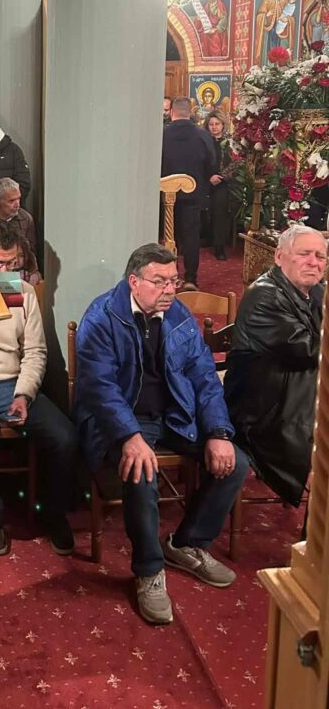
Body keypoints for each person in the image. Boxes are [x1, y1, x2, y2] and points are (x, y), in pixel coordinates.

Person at [75, 243, 248, 625]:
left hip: (173, 414)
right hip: (119, 420)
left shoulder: (179, 315)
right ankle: (149, 569)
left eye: (174, 280)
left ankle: (186, 543)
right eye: (160, 281)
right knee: (141, 471)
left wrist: (218, 431)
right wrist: (129, 436)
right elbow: (100, 388)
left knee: (236, 463)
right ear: (134, 281)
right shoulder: (101, 317)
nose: (170, 289)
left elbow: (204, 378)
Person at [0, 223, 77, 557]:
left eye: (12, 263)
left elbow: (35, 352)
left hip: (12, 383)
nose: (6, 271)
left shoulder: (22, 292)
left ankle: (54, 513)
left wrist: (24, 394)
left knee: (65, 438)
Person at [225, 225, 327, 507]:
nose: (313, 262)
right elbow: (309, 351)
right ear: (279, 257)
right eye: (304, 254)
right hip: (265, 412)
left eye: (320, 256)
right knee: (324, 469)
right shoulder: (264, 296)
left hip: (300, 397)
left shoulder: (317, 291)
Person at [161, 96, 216, 289]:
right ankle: (190, 278)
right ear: (190, 112)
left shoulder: (161, 134)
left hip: (163, 194)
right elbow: (211, 164)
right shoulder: (202, 135)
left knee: (166, 235)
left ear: (172, 112)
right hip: (193, 194)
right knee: (191, 236)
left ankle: (165, 278)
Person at [0, 177, 37, 256]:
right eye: (11, 201)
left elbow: (31, 253)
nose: (17, 205)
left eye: (18, 199)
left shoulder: (26, 219)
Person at [204, 110, 233, 261]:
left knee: (220, 213)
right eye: (211, 124)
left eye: (217, 124)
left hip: (223, 182)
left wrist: (221, 176)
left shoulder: (230, 143)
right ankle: (205, 238)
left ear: (223, 125)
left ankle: (219, 246)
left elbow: (236, 163)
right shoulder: (203, 141)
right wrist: (208, 177)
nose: (214, 127)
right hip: (205, 181)